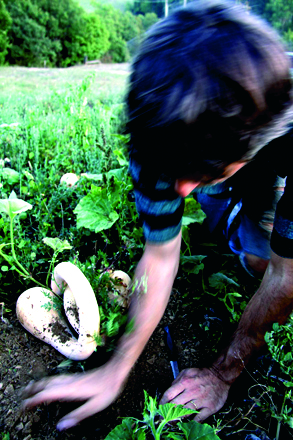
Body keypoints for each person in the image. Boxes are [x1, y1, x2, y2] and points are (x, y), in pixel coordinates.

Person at [23, 0, 293, 430]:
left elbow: (286, 277)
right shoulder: (160, 127)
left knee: (269, 265)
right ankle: (231, 215)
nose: (182, 189)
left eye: (199, 172)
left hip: (274, 149)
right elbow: (161, 255)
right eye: (176, 171)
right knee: (230, 230)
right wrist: (116, 368)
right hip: (231, 152)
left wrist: (223, 373)